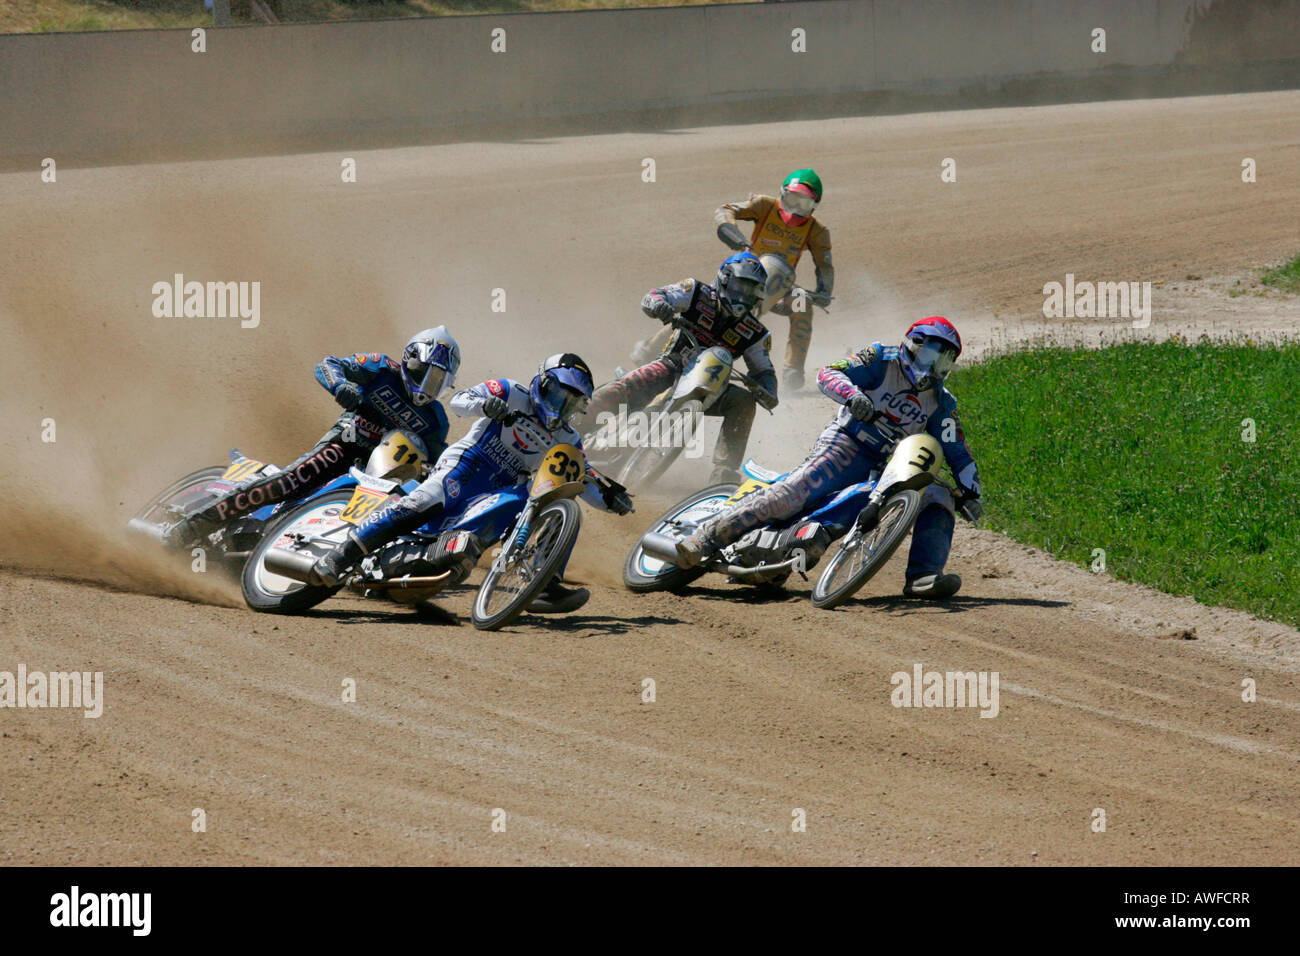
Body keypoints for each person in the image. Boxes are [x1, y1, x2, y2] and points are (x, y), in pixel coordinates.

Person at [675, 316, 983, 599]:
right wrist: (853, 396)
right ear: (914, 345)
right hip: (846, 443)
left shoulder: (941, 402)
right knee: (795, 493)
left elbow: (957, 449)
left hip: (886, 468)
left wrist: (972, 493)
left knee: (938, 495)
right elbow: (829, 372)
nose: (935, 366)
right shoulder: (881, 359)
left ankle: (924, 576)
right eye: (933, 354)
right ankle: (706, 537)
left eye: (945, 360)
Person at [310, 353, 632, 614]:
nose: (561, 409)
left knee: (550, 501)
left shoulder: (568, 438)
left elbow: (581, 477)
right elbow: (459, 401)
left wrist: (610, 499)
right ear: (543, 383)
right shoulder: (510, 391)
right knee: (423, 502)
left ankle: (542, 581)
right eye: (560, 396)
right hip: (466, 464)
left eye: (572, 405)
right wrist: (486, 405)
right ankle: (343, 553)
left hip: (504, 488)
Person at [166, 327, 461, 548]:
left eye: (439, 381)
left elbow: (437, 465)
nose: (429, 386)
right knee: (291, 480)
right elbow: (328, 364)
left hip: (384, 476)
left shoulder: (436, 421)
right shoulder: (381, 368)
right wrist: (340, 385)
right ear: (410, 361)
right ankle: (189, 528)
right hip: (344, 446)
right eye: (425, 373)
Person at [585, 252, 778, 485]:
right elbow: (656, 295)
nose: (743, 296)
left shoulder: (756, 332)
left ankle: (724, 472)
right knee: (626, 386)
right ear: (724, 279)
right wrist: (660, 305)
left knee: (744, 402)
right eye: (739, 287)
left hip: (713, 386)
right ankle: (578, 417)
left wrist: (767, 389)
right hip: (671, 366)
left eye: (750, 291)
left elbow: (764, 369)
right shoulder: (696, 292)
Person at [714, 168, 834, 390]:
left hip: (779, 288)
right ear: (781, 194)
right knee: (707, 301)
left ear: (814, 206)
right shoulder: (763, 205)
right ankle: (653, 348)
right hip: (743, 276)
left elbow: (825, 264)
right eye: (791, 199)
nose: (795, 209)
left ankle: (793, 371)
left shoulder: (817, 231)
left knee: (802, 303)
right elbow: (725, 210)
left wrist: (824, 291)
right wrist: (737, 238)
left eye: (803, 204)